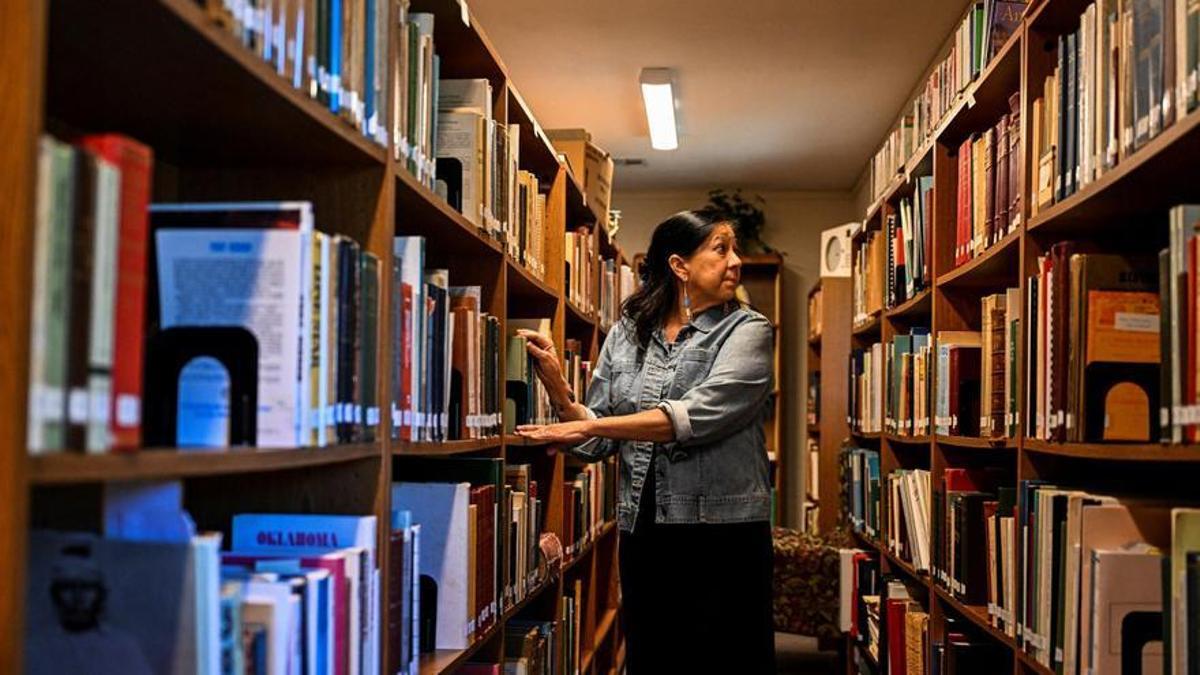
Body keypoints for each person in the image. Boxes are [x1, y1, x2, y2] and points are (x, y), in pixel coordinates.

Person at [515, 209, 777, 674]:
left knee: (727, 659)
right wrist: (557, 386)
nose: (736, 261)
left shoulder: (748, 331)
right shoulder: (627, 334)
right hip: (645, 533)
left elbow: (694, 416)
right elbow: (592, 439)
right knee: (652, 656)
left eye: (734, 249)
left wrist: (591, 426)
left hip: (722, 532)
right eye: (721, 249)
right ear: (680, 266)